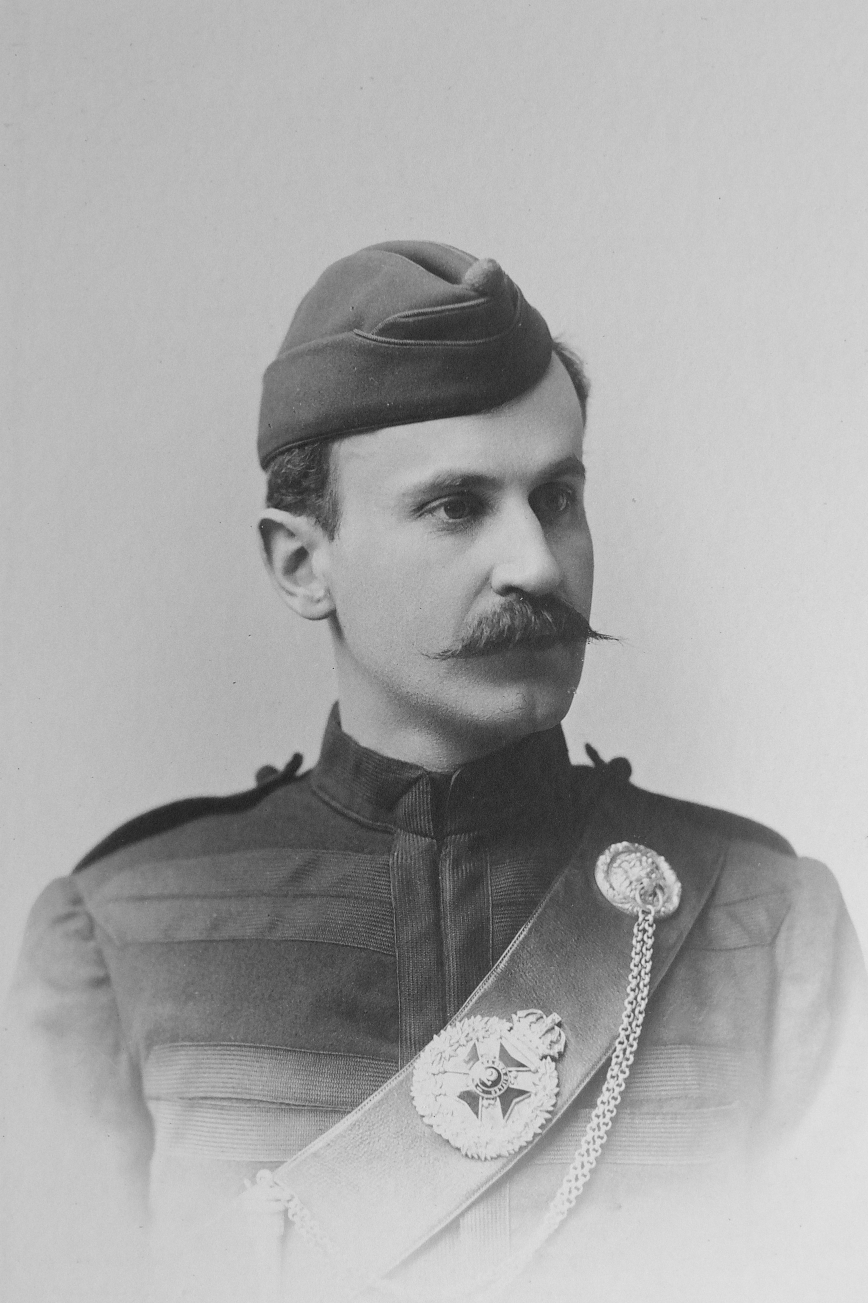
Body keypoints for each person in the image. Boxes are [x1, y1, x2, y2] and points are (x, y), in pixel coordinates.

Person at [7, 241, 867, 1303]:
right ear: (301, 563)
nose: (538, 564)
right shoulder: (121, 939)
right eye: (457, 506)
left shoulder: (766, 932)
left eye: (557, 497)